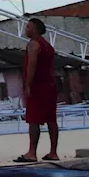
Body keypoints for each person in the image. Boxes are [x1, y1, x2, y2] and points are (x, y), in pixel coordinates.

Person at [15, 18, 58, 162]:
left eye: (28, 27)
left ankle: (32, 152)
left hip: (38, 86)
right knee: (51, 119)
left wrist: (28, 85)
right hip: (50, 85)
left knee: (33, 119)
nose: (25, 30)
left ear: (34, 29)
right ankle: (53, 152)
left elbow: (31, 65)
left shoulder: (34, 44)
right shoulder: (48, 45)